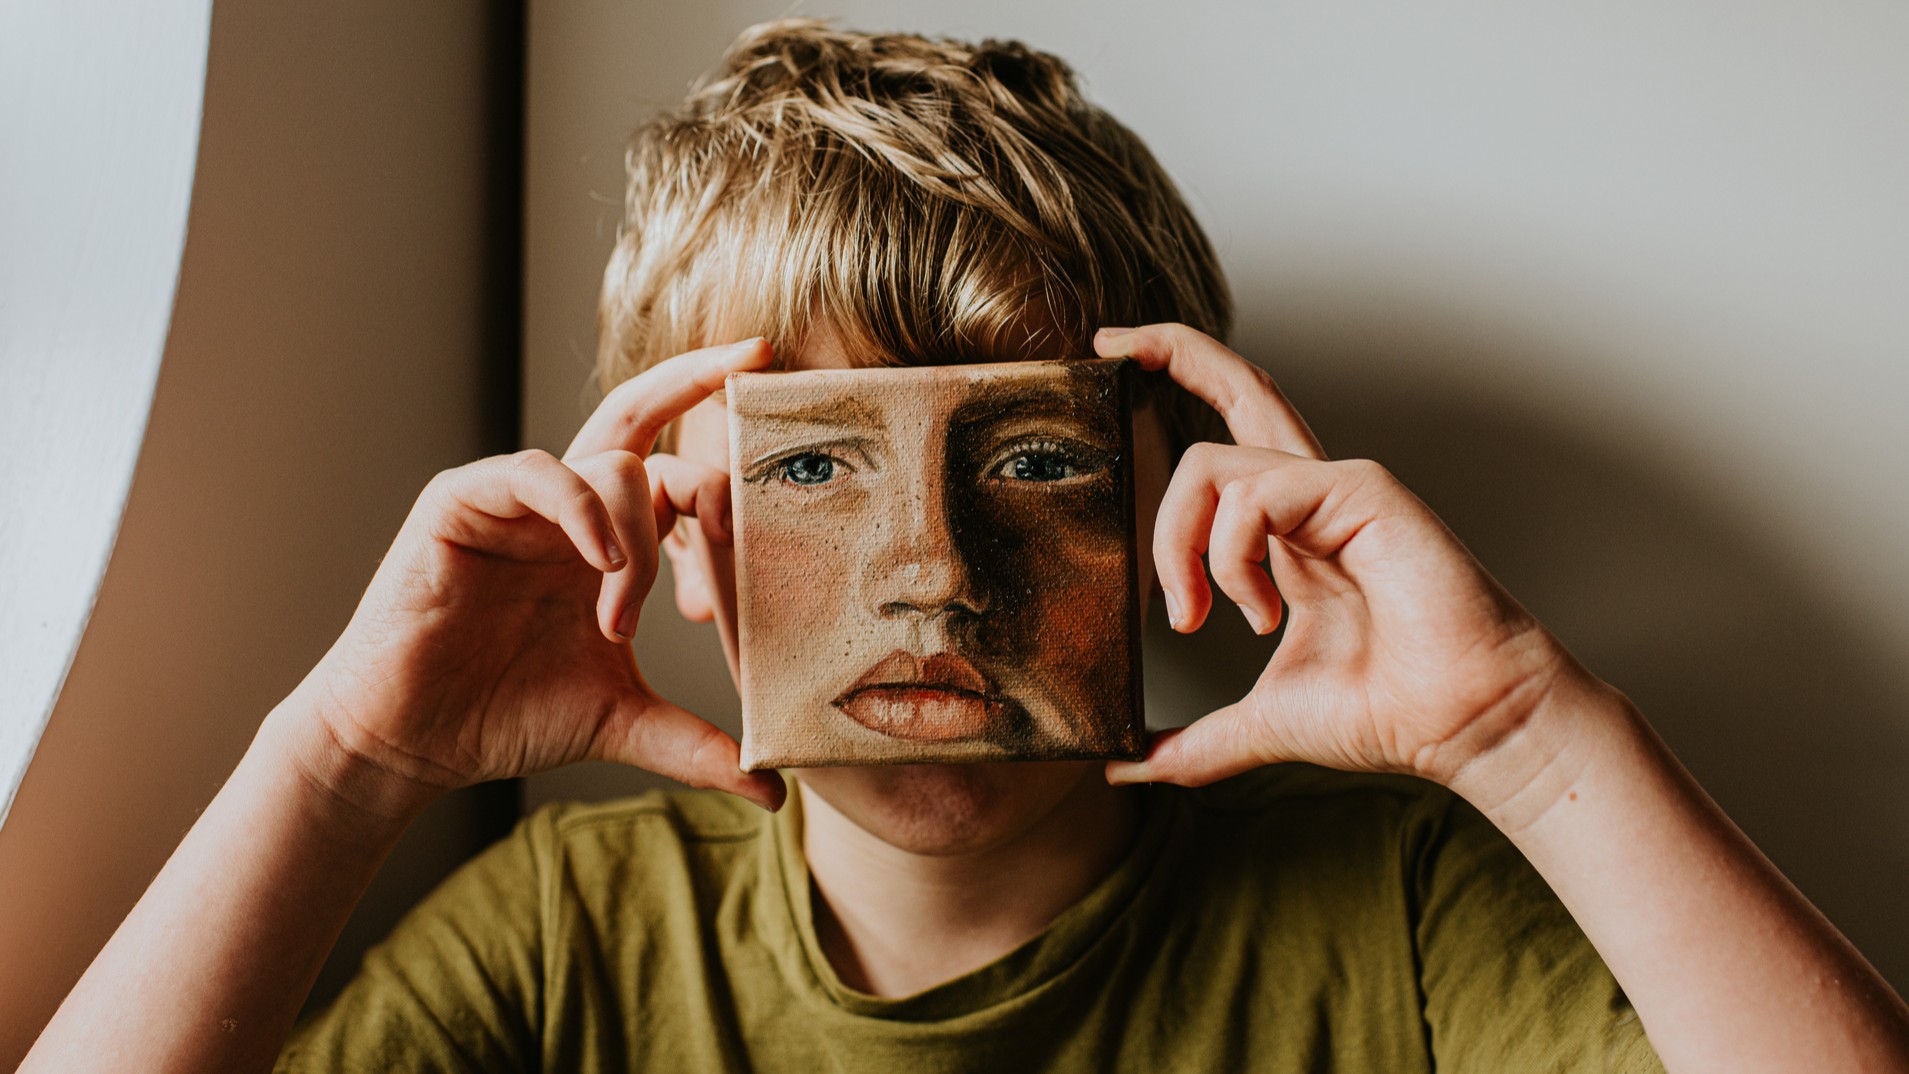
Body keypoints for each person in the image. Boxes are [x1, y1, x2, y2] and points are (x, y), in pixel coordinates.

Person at [24, 19, 1909, 1074]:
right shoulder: (566, 935)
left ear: (1175, 495)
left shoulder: (1401, 901)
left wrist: (1521, 730)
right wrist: (345, 759)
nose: (935, 576)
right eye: (820, 470)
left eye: (1023, 459)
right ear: (678, 528)